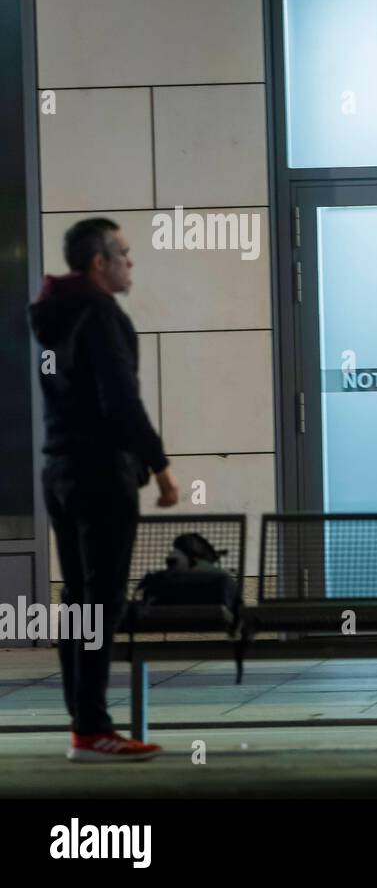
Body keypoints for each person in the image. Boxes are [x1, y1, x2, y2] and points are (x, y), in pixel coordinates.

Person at [30, 219, 179, 762]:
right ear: (100, 262)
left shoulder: (54, 314)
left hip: (60, 470)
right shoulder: (99, 315)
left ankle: (83, 726)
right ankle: (93, 730)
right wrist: (160, 467)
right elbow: (120, 400)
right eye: (124, 253)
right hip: (99, 474)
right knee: (102, 601)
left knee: (77, 600)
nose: (130, 262)